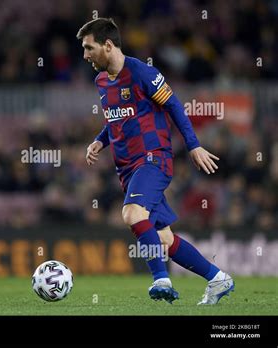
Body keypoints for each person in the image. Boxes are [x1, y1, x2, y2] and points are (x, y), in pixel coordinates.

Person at [77, 18, 234, 304]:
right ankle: (217, 278)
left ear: (108, 45)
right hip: (126, 169)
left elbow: (173, 104)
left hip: (152, 159)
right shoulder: (101, 81)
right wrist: (100, 140)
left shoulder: (142, 73)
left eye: (89, 48)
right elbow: (118, 116)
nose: (85, 55)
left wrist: (193, 146)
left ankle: (161, 280)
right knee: (164, 238)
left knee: (132, 214)